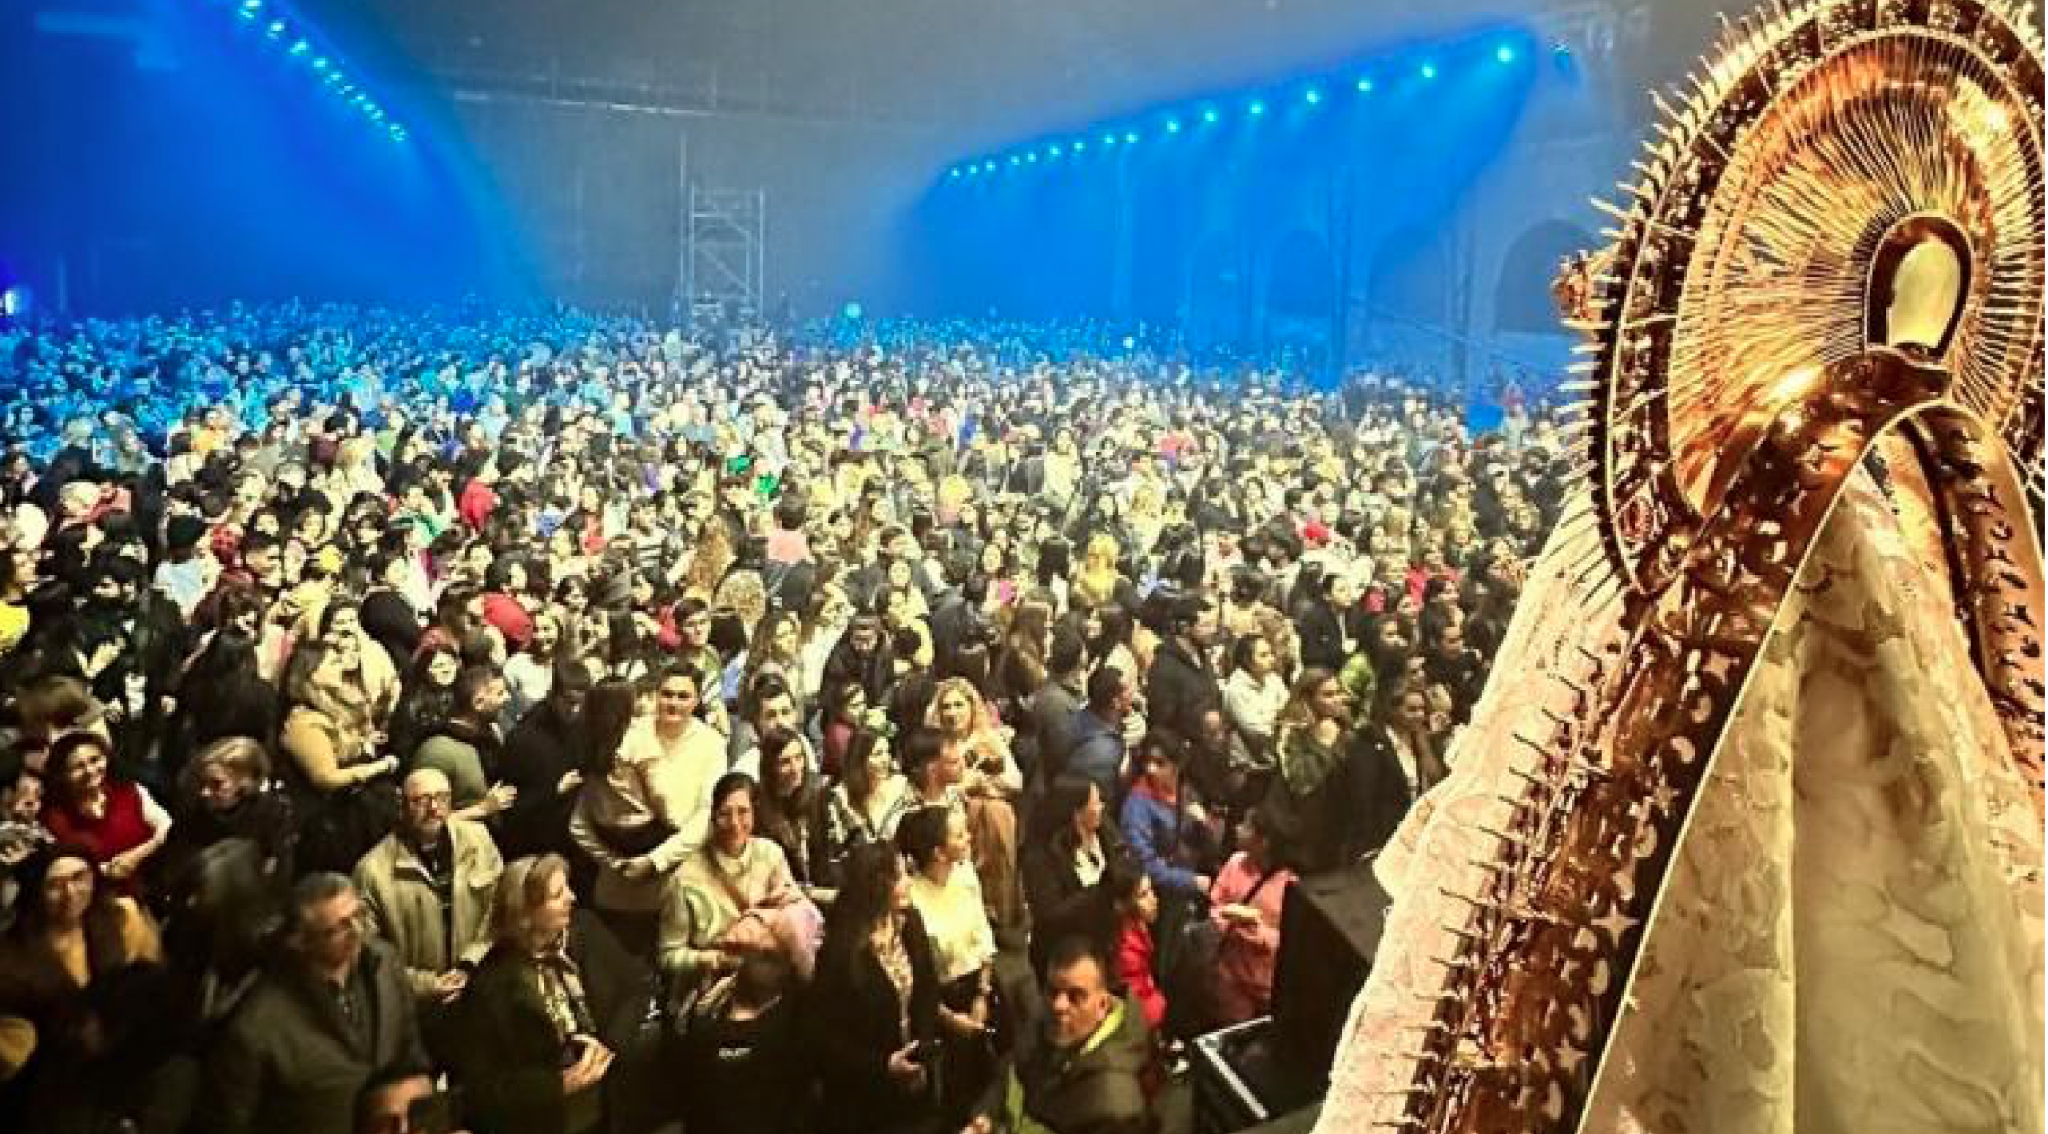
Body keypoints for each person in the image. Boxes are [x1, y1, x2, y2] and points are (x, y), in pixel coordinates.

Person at [206, 873, 427, 1134]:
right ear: (301, 941)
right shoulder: (256, 1026)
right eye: (339, 928)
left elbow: (410, 1054)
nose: (358, 931)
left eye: (359, 916)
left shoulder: (384, 965)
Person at [443, 854, 647, 1134]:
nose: (572, 897)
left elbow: (635, 987)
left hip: (612, 1106)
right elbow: (482, 1088)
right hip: (545, 1121)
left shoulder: (585, 929)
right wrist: (560, 1085)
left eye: (568, 887)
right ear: (525, 915)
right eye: (557, 895)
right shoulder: (490, 985)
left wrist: (606, 1047)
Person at [0, 845, 166, 1126]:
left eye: (80, 877)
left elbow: (149, 984)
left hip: (117, 1067)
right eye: (55, 885)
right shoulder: (11, 957)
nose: (71, 893)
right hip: (49, 1087)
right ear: (35, 893)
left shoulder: (121, 919)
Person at [570, 669, 723, 955]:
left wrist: (654, 861)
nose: (673, 703)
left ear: (696, 701)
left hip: (677, 884)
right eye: (667, 694)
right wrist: (613, 861)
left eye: (683, 696)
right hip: (616, 890)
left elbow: (705, 817)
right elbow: (580, 822)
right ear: (655, 695)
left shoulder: (711, 744)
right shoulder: (628, 734)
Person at [803, 842, 943, 1134]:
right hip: (864, 1101)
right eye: (901, 876)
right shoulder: (840, 953)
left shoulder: (909, 923)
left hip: (916, 1084)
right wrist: (885, 1066)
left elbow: (928, 989)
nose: (909, 882)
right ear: (878, 886)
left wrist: (921, 1050)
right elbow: (825, 1039)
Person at [656, 773, 822, 1006]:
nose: (735, 824)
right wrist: (714, 959)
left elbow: (797, 914)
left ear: (755, 813)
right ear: (713, 817)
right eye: (725, 814)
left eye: (743, 812)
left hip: (771, 979)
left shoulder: (770, 855)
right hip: (713, 989)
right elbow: (668, 955)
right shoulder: (684, 879)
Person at [962, 935, 1155, 1134]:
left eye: (1076, 996)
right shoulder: (1042, 1022)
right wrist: (986, 1117)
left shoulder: (1115, 1105)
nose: (1059, 1005)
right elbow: (1010, 1072)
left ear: (1103, 1005)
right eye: (1053, 991)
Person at [352, 768, 503, 1006]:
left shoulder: (479, 840)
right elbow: (367, 952)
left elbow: (499, 908)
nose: (433, 808)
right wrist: (426, 985)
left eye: (442, 797)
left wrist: (469, 964)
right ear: (402, 806)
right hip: (415, 1003)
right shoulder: (372, 871)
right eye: (421, 800)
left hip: (479, 983)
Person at [896, 804, 999, 1121]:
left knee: (996, 1078)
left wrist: (982, 995)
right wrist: (950, 1018)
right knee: (955, 1096)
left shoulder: (965, 876)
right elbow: (917, 975)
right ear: (938, 852)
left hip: (980, 987)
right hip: (940, 1001)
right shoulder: (912, 899)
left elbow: (984, 936)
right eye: (959, 834)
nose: (969, 837)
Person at [38, 731, 171, 896]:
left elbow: (166, 826)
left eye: (95, 760)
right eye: (78, 767)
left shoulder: (129, 791)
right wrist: (110, 870)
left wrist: (137, 854)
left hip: (155, 884)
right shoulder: (56, 818)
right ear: (61, 775)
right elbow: (70, 867)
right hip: (102, 897)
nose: (89, 770)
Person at [1020, 778, 1126, 977]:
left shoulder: (1105, 831)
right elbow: (1049, 914)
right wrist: (1099, 892)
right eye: (1096, 802)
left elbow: (1122, 865)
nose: (1102, 807)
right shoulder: (1040, 857)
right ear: (1077, 813)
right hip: (1063, 955)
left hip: (1106, 945)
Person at [496, 658, 595, 862]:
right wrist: (555, 790)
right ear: (552, 695)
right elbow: (511, 807)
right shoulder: (523, 739)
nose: (575, 710)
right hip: (536, 846)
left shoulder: (584, 727)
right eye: (569, 702)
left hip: (576, 841)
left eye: (582, 704)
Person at [1205, 809, 1296, 1026]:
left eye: (1246, 826)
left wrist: (1259, 933)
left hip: (1265, 982)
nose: (1237, 829)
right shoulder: (1235, 862)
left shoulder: (1290, 885)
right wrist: (1228, 921)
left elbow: (1291, 940)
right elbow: (1215, 903)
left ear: (1264, 841)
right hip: (1230, 975)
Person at [164, 735, 297, 882]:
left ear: (247, 781)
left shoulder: (272, 815)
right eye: (203, 783)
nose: (204, 792)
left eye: (217, 784)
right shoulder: (192, 815)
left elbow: (278, 876)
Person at [410, 666, 517, 823]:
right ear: (478, 702)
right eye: (500, 693)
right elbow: (421, 821)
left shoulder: (490, 735)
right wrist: (482, 809)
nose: (508, 698)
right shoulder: (438, 751)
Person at [816, 729, 912, 889]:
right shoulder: (840, 798)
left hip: (900, 874)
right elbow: (838, 851)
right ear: (860, 759)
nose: (886, 759)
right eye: (877, 754)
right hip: (858, 879)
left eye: (887, 752)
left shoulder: (900, 788)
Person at [1107, 867, 1166, 1032]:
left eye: (1151, 890)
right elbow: (1137, 1009)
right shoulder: (1125, 952)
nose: (1154, 899)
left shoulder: (1140, 925)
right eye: (1143, 895)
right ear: (1122, 905)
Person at [1062, 666, 1132, 802]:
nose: (1132, 692)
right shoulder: (1103, 751)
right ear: (1116, 702)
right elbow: (1096, 800)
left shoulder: (1080, 716)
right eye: (1128, 689)